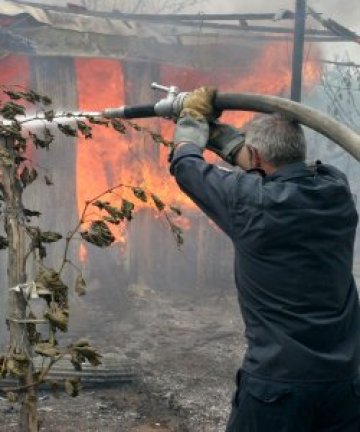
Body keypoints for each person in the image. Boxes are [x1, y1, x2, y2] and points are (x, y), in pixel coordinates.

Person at [169, 87, 360, 432]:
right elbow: (272, 167)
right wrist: (222, 139)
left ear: (255, 157)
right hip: (344, 386)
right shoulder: (337, 191)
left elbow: (185, 165)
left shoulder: (251, 205)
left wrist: (191, 121)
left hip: (277, 389)